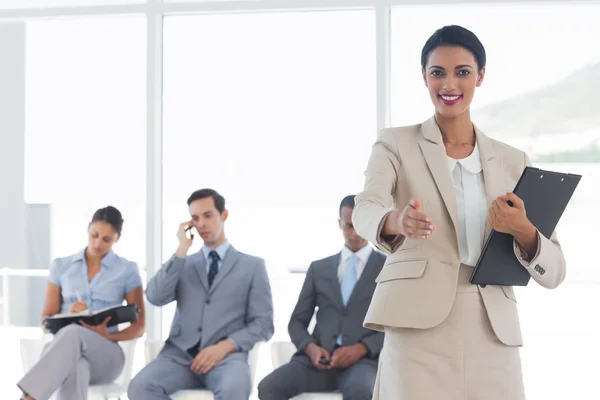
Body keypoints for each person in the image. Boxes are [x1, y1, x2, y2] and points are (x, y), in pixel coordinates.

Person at [351, 25, 566, 400]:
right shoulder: (395, 143)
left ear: (480, 76)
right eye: (438, 72)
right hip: (416, 325)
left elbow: (556, 270)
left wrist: (523, 230)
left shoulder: (514, 161)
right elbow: (365, 207)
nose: (449, 84)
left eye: (462, 72)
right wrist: (395, 221)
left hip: (491, 330)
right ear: (424, 77)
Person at [128, 188, 274, 400]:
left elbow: (264, 323)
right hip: (178, 358)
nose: (202, 224)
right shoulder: (183, 264)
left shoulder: (252, 267)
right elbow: (155, 296)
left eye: (208, 215)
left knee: (235, 389)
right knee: (139, 387)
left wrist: (225, 346)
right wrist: (181, 249)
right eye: (195, 218)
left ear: (223, 216)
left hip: (226, 359)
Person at [258, 195, 386, 400]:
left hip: (363, 364)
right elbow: (297, 323)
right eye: (349, 226)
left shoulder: (386, 268)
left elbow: (394, 326)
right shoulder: (319, 269)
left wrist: (361, 349)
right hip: (316, 363)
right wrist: (311, 348)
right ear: (340, 224)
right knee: (268, 387)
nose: (355, 233)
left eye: (361, 225)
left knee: (360, 392)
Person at [17, 206, 145, 400]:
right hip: (64, 352)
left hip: (106, 355)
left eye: (106, 239)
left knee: (74, 333)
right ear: (88, 229)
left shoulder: (127, 270)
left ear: (117, 238)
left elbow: (139, 327)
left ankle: (30, 397)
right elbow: (45, 322)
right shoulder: (61, 266)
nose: (97, 243)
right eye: (94, 234)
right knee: (77, 365)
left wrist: (108, 335)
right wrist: (68, 313)